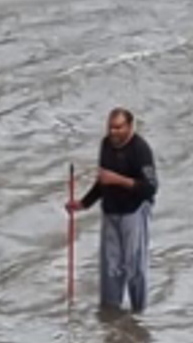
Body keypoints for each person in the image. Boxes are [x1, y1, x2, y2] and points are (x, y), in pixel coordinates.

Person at [68, 108, 158, 313]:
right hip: (110, 211)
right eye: (110, 127)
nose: (113, 132)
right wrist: (83, 203)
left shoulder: (140, 149)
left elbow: (150, 187)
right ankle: (111, 315)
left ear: (129, 126)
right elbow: (102, 182)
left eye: (118, 128)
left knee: (135, 266)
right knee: (110, 268)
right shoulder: (105, 145)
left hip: (134, 211)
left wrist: (118, 180)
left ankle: (138, 314)